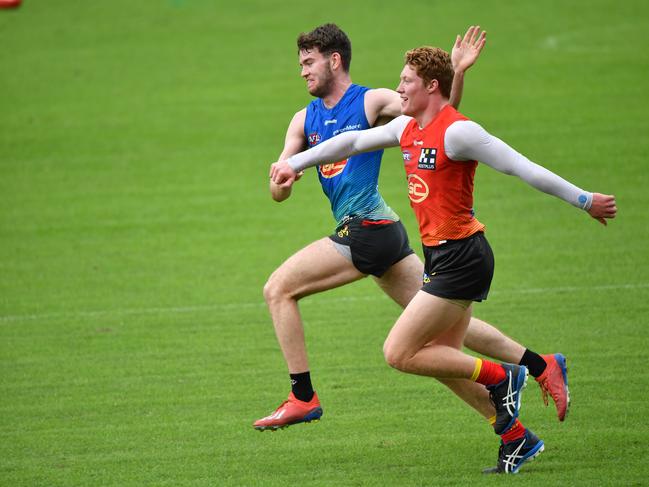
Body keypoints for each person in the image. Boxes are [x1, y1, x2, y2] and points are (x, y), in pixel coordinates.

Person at [270, 45, 617, 473]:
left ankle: (506, 376)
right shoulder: (407, 128)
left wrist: (585, 200)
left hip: (464, 258)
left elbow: (522, 167)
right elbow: (353, 140)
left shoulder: (460, 132)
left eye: (406, 82)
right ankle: (517, 430)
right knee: (440, 359)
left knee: (399, 353)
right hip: (440, 259)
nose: (398, 88)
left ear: (431, 87)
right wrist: (294, 162)